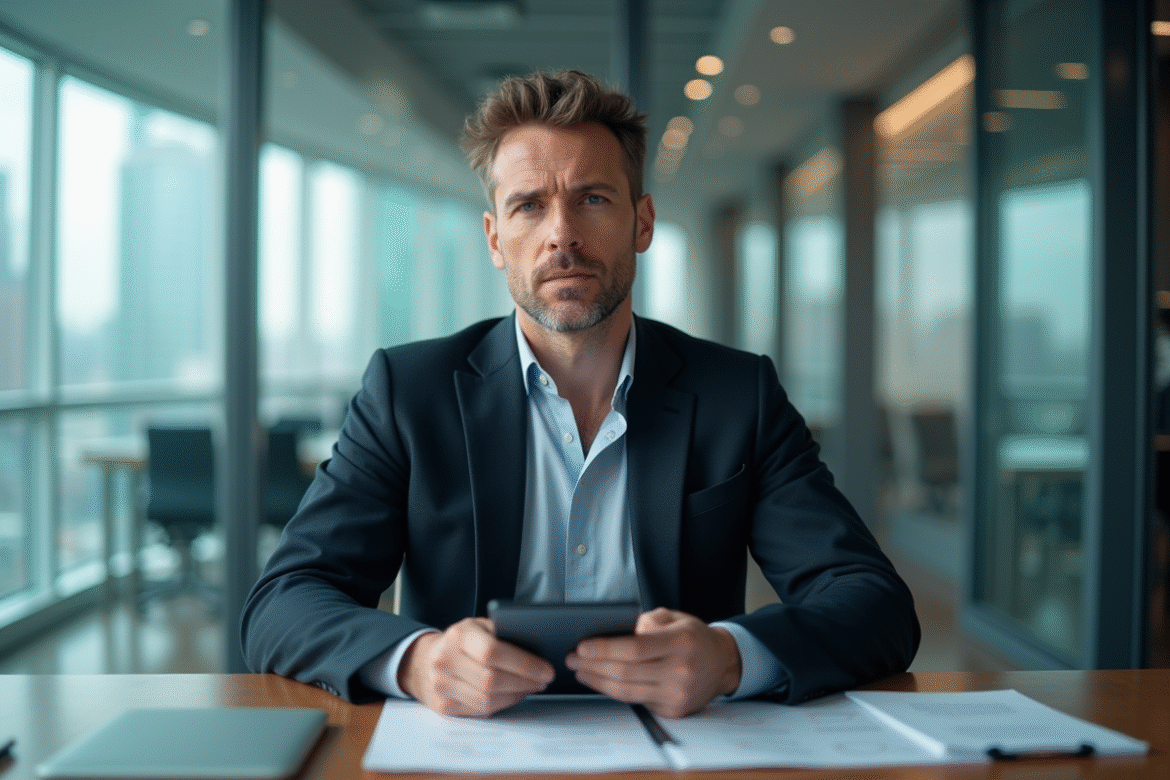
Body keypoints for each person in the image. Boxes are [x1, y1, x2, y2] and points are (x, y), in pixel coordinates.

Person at [241, 70, 919, 720]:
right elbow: (283, 602)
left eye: (592, 198)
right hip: (470, 753)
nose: (561, 233)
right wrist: (417, 661)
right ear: (495, 239)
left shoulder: (737, 395)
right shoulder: (408, 393)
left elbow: (873, 603)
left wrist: (730, 657)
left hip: (681, 753)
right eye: (529, 205)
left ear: (642, 222)